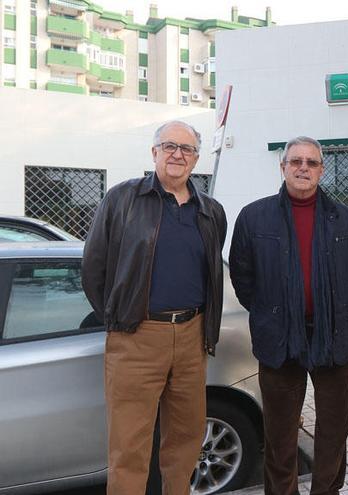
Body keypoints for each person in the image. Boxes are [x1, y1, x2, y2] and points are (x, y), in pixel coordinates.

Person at [82, 120, 227, 494]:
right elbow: (93, 268)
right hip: (136, 336)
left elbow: (210, 271)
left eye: (187, 149)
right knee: (129, 447)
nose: (178, 154)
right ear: (154, 153)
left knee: (185, 442)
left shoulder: (210, 210)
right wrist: (122, 318)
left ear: (196, 159)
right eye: (169, 146)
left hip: (192, 338)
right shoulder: (122, 199)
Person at [229, 136, 348, 495]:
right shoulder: (254, 216)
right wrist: (271, 311)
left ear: (322, 169)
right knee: (280, 434)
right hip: (279, 339)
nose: (303, 168)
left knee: (334, 432)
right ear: (283, 166)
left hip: (333, 338)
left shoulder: (343, 218)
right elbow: (242, 277)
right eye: (296, 161)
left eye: (312, 162)